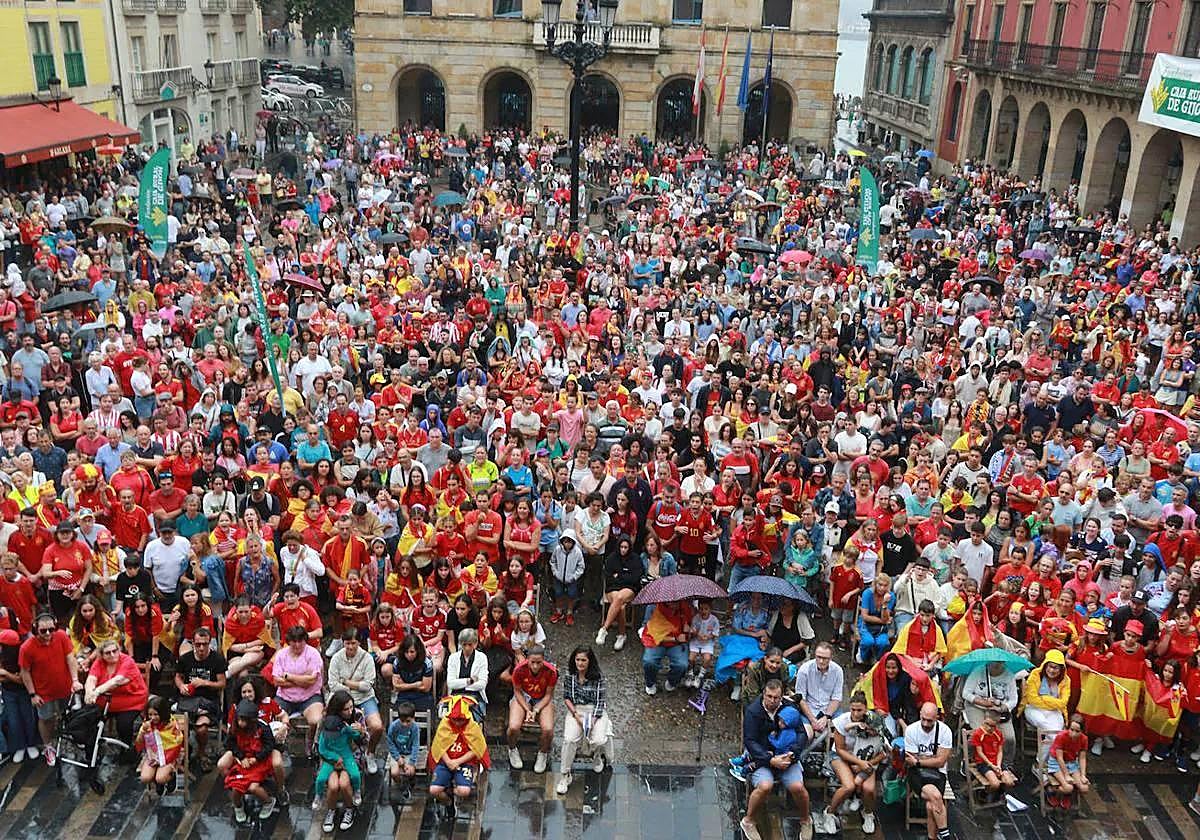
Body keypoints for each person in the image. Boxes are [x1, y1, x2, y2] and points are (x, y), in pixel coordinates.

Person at [740, 679, 814, 840]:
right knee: (764, 786)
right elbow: (750, 741)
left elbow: (801, 733)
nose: (772, 701)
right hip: (763, 757)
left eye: (776, 697)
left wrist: (792, 754)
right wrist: (770, 759)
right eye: (769, 696)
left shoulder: (789, 708)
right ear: (764, 694)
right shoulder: (753, 711)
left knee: (798, 788)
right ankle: (748, 820)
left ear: (782, 697)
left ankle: (805, 820)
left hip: (787, 755)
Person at [816, 691, 887, 835]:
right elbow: (841, 749)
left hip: (866, 758)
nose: (855, 713)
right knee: (849, 786)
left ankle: (868, 813)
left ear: (866, 709)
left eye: (859, 710)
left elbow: (882, 747)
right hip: (842, 756)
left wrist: (864, 763)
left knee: (869, 788)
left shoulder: (873, 721)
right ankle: (829, 812)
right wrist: (858, 763)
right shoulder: (842, 721)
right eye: (853, 709)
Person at [19, 611, 80, 766]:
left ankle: (70, 739)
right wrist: (33, 694)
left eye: (51, 630)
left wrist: (75, 680)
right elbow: (25, 672)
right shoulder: (27, 648)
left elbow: (70, 658)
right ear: (35, 630)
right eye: (43, 631)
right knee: (46, 719)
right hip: (43, 692)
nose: (48, 634)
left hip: (65, 688)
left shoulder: (61, 637)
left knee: (70, 714)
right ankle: (48, 746)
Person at [326, 628, 384, 774]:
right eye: (347, 643)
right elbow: (332, 684)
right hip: (341, 698)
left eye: (353, 643)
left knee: (377, 726)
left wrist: (345, 682)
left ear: (359, 642)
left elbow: (368, 684)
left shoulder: (367, 658)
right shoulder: (336, 658)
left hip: (364, 698)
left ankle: (370, 753)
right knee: (328, 722)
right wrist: (353, 687)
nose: (350, 647)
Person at [556, 645, 613, 794]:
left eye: (583, 660)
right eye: (577, 660)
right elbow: (567, 697)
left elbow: (601, 701)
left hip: (594, 710)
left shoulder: (598, 677)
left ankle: (597, 754)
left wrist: (593, 720)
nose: (580, 663)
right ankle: (565, 774)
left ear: (589, 661)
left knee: (599, 739)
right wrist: (575, 715)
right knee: (569, 739)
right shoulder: (570, 676)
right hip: (577, 710)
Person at [268, 625, 325, 758]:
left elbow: (311, 681)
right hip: (285, 697)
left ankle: (310, 743)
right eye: (294, 641)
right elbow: (276, 681)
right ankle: (281, 747)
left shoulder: (313, 654)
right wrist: (302, 679)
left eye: (301, 641)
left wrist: (288, 676)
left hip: (310, 697)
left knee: (316, 720)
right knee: (272, 719)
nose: (298, 645)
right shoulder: (281, 655)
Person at [174, 626, 226, 771]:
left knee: (201, 729)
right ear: (193, 643)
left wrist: (204, 683)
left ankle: (202, 753)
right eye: (198, 644)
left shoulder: (217, 659)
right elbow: (178, 677)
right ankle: (185, 751)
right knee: (179, 726)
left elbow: (222, 683)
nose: (201, 648)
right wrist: (181, 686)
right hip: (188, 701)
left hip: (208, 702)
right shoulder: (185, 659)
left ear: (209, 643)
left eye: (205, 644)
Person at [83, 638, 148, 755]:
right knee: (89, 718)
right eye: (108, 653)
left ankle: (126, 750)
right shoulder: (99, 663)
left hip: (131, 701)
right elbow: (91, 678)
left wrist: (96, 691)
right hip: (107, 701)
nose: (112, 655)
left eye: (115, 651)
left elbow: (117, 681)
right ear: (102, 655)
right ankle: (91, 751)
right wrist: (88, 692)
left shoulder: (127, 661)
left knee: (123, 724)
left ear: (119, 650)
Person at [315, 689, 366, 833]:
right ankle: (331, 811)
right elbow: (318, 745)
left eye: (351, 707)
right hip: (330, 759)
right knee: (333, 785)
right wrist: (332, 759)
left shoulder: (358, 716)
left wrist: (361, 732)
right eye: (346, 709)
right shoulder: (325, 721)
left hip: (351, 757)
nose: (350, 711)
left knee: (344, 784)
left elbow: (364, 743)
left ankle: (350, 810)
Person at [429, 694, 490, 813]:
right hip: (445, 762)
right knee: (434, 790)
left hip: (465, 763)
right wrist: (448, 762)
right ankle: (448, 801)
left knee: (464, 791)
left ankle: (451, 790)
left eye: (461, 720)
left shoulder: (473, 727)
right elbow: (439, 746)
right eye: (455, 719)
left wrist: (457, 761)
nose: (457, 723)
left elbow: (477, 749)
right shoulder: (444, 725)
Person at [903, 701, 953, 840]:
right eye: (923, 719)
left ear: (937, 717)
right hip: (917, 774)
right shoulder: (912, 730)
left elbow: (941, 761)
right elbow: (910, 759)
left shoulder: (944, 731)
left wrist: (920, 760)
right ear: (920, 715)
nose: (925, 724)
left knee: (932, 805)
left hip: (937, 773)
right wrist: (932, 759)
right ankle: (945, 833)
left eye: (929, 721)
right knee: (936, 797)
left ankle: (933, 837)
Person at [223, 698, 279, 823]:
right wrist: (241, 757)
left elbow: (269, 746)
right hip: (244, 761)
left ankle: (269, 802)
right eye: (239, 719)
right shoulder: (235, 727)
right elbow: (229, 743)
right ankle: (238, 807)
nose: (241, 723)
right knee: (236, 787)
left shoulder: (262, 727)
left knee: (254, 788)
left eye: (244, 720)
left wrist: (257, 758)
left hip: (260, 762)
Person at [505, 643, 557, 773]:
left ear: (543, 660)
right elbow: (517, 691)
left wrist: (536, 710)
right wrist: (527, 709)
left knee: (548, 729)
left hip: (542, 698)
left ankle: (543, 752)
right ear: (527, 660)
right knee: (513, 726)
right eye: (532, 662)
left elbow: (549, 694)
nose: (535, 666)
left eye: (538, 663)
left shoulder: (551, 671)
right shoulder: (519, 670)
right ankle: (512, 748)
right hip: (523, 696)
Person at [135, 695, 184, 797]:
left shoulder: (171, 724)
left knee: (160, 778)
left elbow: (177, 741)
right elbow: (138, 742)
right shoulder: (147, 725)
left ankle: (170, 777)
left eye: (156, 714)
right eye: (150, 715)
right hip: (152, 755)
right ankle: (158, 780)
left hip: (169, 755)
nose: (152, 718)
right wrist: (142, 732)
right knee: (145, 778)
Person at [386, 701, 421, 801]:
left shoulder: (415, 728)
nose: (405, 724)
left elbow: (415, 745)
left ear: (413, 718)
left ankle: (410, 781)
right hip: (396, 752)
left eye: (408, 721)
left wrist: (411, 762)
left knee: (410, 771)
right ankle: (401, 785)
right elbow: (390, 743)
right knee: (394, 773)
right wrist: (397, 758)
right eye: (402, 721)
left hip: (409, 752)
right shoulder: (393, 727)